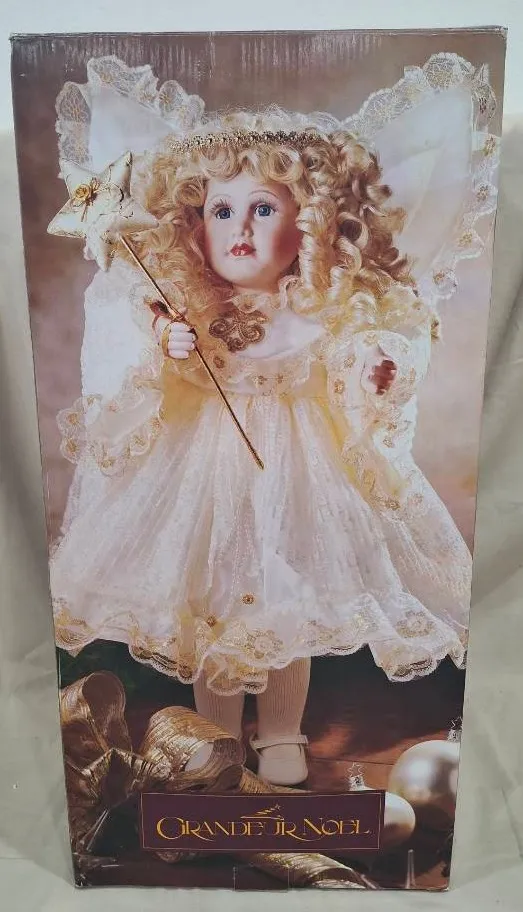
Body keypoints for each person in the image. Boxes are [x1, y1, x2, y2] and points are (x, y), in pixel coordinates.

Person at [50, 54, 497, 786]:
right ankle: (214, 735)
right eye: (220, 211)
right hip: (203, 470)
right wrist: (165, 343)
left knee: (292, 601)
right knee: (212, 603)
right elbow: (134, 369)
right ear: (192, 223)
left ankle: (283, 733)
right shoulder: (183, 303)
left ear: (312, 222)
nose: (240, 229)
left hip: (301, 467)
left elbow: (362, 350)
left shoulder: (319, 308)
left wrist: (375, 371)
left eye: (263, 209)